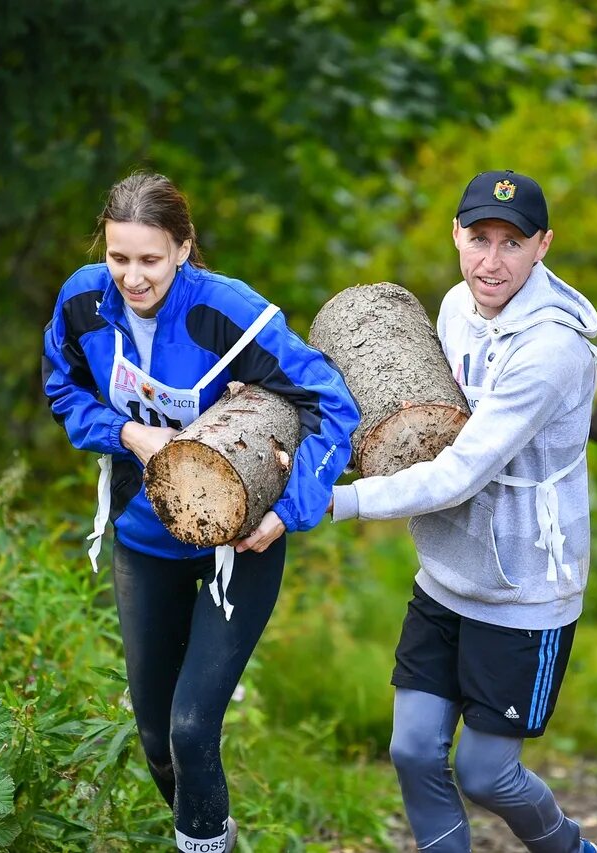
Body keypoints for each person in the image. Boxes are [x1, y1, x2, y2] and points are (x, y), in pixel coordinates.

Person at [42, 172, 360, 852]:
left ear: (183, 248)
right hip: (144, 537)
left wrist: (291, 511)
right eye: (118, 257)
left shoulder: (228, 311)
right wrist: (129, 433)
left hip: (238, 546)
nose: (132, 276)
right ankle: (214, 838)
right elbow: (61, 388)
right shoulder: (81, 303)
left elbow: (332, 402)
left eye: (149, 259)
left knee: (192, 726)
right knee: (158, 738)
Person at [330, 170, 597, 852]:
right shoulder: (454, 307)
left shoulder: (552, 349)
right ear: (455, 234)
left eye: (511, 243)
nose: (491, 260)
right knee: (415, 749)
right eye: (478, 238)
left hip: (523, 592)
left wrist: (338, 502)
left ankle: (573, 848)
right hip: (445, 575)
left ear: (543, 245)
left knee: (485, 773)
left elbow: (459, 470)